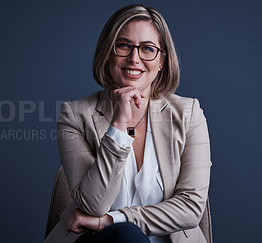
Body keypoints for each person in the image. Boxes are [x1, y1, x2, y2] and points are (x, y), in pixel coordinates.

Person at [45, 4, 211, 243]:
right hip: (98, 241)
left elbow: (192, 208)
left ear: (162, 60)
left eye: (148, 48)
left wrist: (113, 219)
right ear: (108, 53)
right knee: (125, 236)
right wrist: (119, 125)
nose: (134, 58)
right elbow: (92, 205)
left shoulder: (189, 114)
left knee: (127, 232)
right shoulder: (74, 115)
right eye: (123, 45)